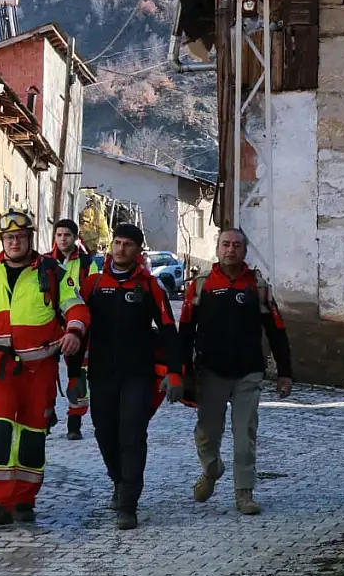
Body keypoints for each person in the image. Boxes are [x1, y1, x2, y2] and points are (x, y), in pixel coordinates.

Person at [0, 208, 89, 526]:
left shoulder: (51, 271)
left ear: (30, 239)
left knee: (33, 432)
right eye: (9, 237)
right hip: (0, 364)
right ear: (2, 240)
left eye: (21, 237)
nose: (15, 243)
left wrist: (74, 331)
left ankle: (25, 498)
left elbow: (76, 307)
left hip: (41, 366)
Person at [179, 228, 294, 515]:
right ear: (217, 248)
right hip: (210, 372)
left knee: (245, 435)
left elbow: (277, 331)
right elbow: (185, 331)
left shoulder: (257, 286)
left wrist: (285, 372)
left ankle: (244, 492)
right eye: (225, 244)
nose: (230, 250)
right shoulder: (201, 285)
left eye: (237, 245)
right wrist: (180, 371)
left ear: (245, 251)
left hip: (248, 372)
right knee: (207, 434)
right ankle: (211, 469)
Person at [78, 224, 183, 530]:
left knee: (132, 434)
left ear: (138, 251)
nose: (121, 249)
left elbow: (168, 330)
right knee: (104, 432)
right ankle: (118, 480)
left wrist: (175, 372)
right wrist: (73, 374)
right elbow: (79, 328)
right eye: (117, 243)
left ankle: (128, 504)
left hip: (138, 374)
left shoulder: (150, 286)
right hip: (101, 373)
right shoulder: (93, 285)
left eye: (127, 244)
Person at [49, 218, 100, 440]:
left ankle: (74, 423)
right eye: (59, 235)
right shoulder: (44, 262)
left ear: (75, 238)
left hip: (79, 325)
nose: (63, 239)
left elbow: (93, 293)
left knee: (78, 374)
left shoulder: (88, 264)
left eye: (67, 235)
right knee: (44, 373)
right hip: (50, 324)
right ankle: (45, 416)